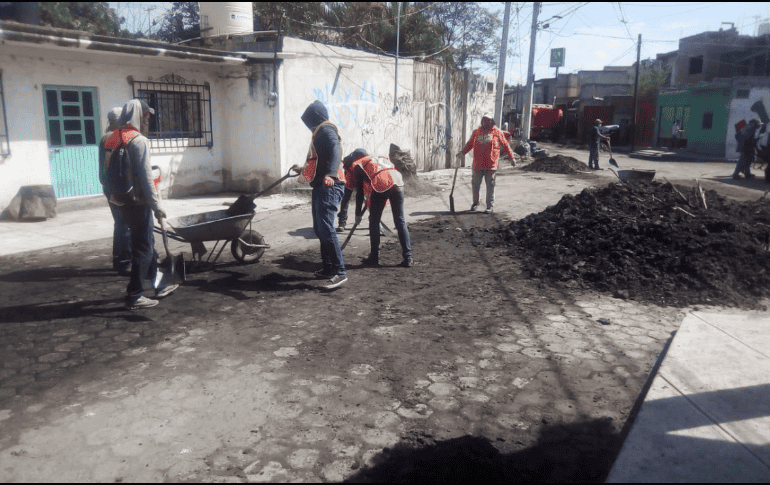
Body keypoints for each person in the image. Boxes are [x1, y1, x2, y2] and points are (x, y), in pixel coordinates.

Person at [105, 99, 178, 310]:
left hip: (120, 200)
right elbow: (146, 178)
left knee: (144, 244)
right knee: (144, 248)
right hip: (138, 202)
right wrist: (156, 205)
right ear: (139, 116)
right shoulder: (138, 140)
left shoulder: (113, 138)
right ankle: (135, 294)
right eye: (147, 116)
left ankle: (158, 285)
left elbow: (105, 171)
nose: (148, 120)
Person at [295, 100, 347, 289]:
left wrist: (331, 174)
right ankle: (328, 268)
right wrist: (302, 169)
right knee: (320, 229)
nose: (309, 127)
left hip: (330, 185)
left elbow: (335, 151)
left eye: (309, 122)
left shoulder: (326, 130)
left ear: (314, 118)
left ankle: (340, 272)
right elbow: (319, 160)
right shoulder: (321, 132)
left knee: (326, 228)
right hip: (322, 185)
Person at [343, 149, 413, 268]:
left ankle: (374, 257)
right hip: (398, 182)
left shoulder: (358, 165)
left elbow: (359, 192)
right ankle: (408, 257)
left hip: (382, 183)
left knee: (374, 220)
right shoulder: (377, 158)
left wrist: (357, 214)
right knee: (400, 220)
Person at [457, 114, 515, 213]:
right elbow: (470, 144)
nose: (486, 122)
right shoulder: (477, 132)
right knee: (475, 185)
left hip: (491, 165)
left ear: (492, 121)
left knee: (490, 186)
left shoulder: (497, 132)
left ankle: (489, 206)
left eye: (488, 120)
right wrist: (462, 152)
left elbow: (505, 145)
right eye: (484, 120)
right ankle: (475, 203)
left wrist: (511, 157)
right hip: (477, 164)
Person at [99, 107, 132, 276]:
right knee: (123, 224)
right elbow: (110, 165)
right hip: (116, 188)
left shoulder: (108, 136)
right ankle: (122, 261)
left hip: (109, 186)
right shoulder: (112, 137)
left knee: (121, 223)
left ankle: (121, 259)